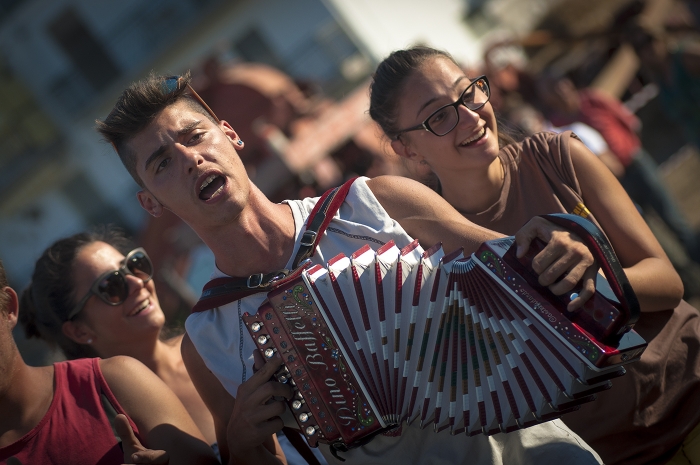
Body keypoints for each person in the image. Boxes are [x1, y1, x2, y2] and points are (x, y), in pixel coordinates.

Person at [95, 72, 605, 465]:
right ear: (150, 203)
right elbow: (252, 458)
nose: (189, 159)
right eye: (162, 163)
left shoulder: (376, 202)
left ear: (230, 135)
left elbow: (515, 260)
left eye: (195, 136)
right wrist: (246, 443)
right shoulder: (207, 340)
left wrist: (563, 245)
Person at [368, 45, 699, 465]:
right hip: (609, 453)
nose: (470, 116)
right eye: (439, 116)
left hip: (689, 388)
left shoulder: (559, 157)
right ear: (406, 150)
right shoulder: (430, 260)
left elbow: (669, 282)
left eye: (468, 93)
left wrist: (595, 278)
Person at [0, 257, 220, 465]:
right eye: (110, 286)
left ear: (8, 307)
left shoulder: (213, 342)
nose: (136, 282)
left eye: (136, 265)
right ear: (78, 330)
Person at [534, 71, 700, 266]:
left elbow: (627, 120)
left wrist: (629, 148)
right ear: (547, 97)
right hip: (612, 184)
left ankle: (695, 256)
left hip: (635, 163)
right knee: (644, 230)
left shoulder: (593, 99)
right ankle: (681, 275)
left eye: (561, 83)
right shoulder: (556, 127)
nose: (561, 90)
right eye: (553, 88)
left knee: (670, 213)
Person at [625, 20, 700, 149]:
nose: (647, 48)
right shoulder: (659, 79)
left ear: (659, 36)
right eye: (640, 46)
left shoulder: (686, 57)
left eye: (648, 39)